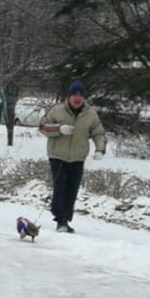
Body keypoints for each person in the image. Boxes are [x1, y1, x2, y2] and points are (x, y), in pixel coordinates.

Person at [39, 80, 106, 233]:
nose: (77, 98)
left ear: (84, 98)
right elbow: (43, 127)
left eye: (81, 95)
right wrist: (59, 129)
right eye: (74, 95)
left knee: (72, 188)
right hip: (58, 155)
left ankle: (66, 219)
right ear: (69, 97)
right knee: (60, 185)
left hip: (78, 157)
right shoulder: (57, 111)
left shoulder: (91, 114)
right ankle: (60, 219)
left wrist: (100, 149)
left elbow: (99, 133)